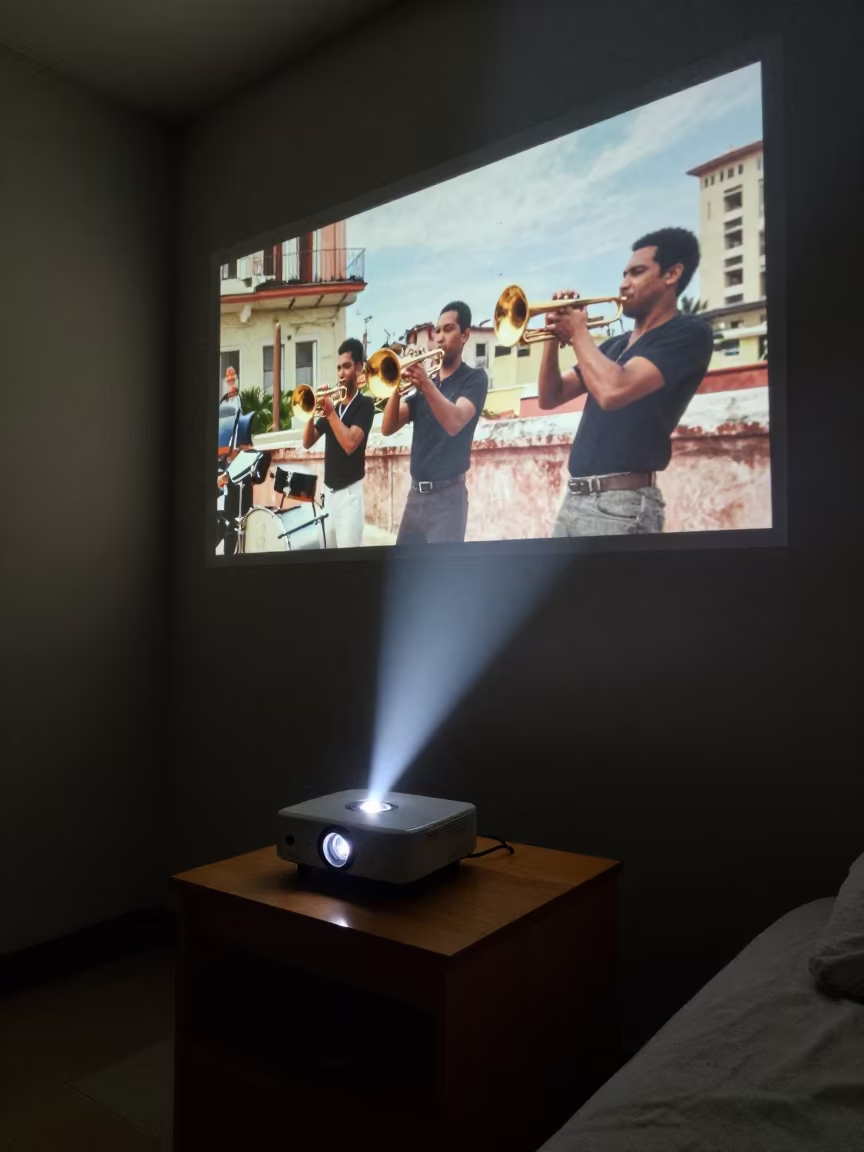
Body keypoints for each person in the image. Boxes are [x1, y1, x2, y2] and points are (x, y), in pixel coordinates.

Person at [538, 227, 713, 537]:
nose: (623, 283)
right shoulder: (613, 347)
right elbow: (550, 396)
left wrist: (578, 332)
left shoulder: (688, 333)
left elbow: (614, 391)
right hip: (576, 499)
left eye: (637, 272)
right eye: (624, 274)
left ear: (672, 274)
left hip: (621, 507)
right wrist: (551, 338)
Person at [381, 301, 488, 544]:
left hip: (448, 500)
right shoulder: (422, 387)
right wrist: (399, 382)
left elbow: (455, 422)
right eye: (437, 331)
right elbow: (388, 427)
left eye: (448, 329)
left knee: (441, 576)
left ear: (465, 336)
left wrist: (425, 383)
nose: (440, 337)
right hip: (415, 496)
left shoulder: (474, 379)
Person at [302, 337, 375, 548]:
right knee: (325, 557)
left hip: (349, 496)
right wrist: (310, 410)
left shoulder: (365, 405)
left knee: (348, 561)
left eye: (346, 367)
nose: (341, 373)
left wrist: (329, 411)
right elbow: (307, 442)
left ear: (359, 368)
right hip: (327, 495)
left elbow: (350, 443)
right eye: (338, 368)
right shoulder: (332, 407)